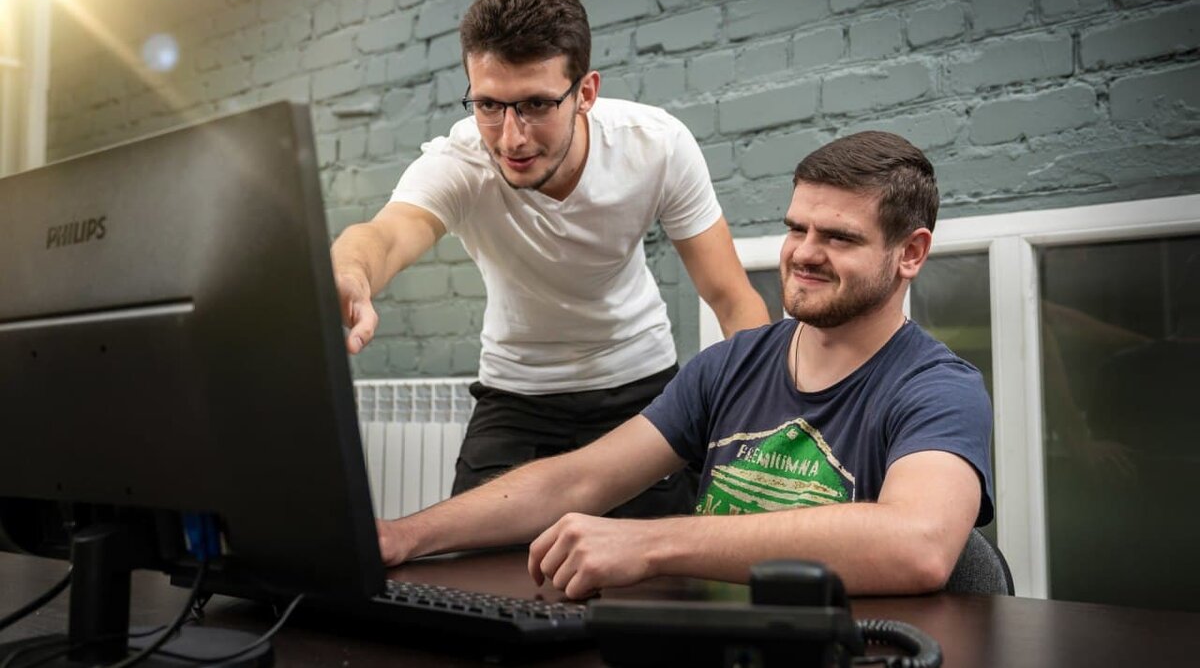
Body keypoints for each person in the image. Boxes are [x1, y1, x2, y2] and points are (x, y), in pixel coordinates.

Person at [374, 130, 995, 598]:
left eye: (839, 237)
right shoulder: (730, 366)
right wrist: (405, 535)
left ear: (910, 253)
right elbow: (578, 482)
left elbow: (919, 545)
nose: (804, 254)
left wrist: (652, 541)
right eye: (797, 229)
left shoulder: (938, 388)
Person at [331, 0, 770, 518]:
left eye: (536, 104)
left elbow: (731, 298)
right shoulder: (461, 162)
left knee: (655, 563)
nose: (511, 137)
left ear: (585, 93)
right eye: (488, 104)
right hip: (516, 394)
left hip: (640, 387)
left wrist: (761, 419)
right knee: (467, 563)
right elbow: (386, 234)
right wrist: (351, 272)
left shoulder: (656, 146)